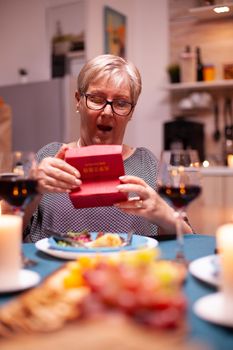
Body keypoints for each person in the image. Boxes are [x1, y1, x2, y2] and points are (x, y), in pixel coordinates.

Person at [22, 54, 192, 242]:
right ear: (78, 100)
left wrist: (164, 214)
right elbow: (6, 225)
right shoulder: (47, 157)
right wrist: (32, 188)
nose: (107, 112)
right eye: (96, 98)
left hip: (128, 269)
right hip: (54, 269)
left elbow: (189, 239)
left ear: (131, 112)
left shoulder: (149, 164)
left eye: (121, 103)